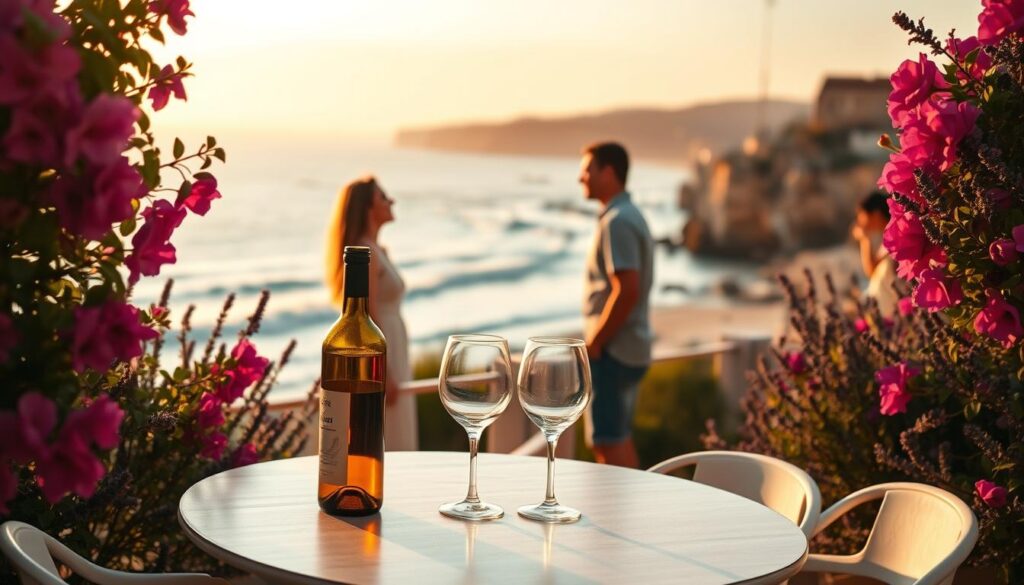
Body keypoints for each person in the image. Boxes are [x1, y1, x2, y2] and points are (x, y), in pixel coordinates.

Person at [325, 176, 418, 451]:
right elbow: (368, 316)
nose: (392, 201)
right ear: (367, 207)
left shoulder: (378, 249)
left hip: (393, 347)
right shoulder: (367, 252)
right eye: (383, 197)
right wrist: (385, 372)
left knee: (397, 425)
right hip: (382, 353)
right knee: (388, 429)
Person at [578, 142, 654, 468]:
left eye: (587, 169)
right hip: (627, 346)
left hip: (613, 349)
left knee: (608, 441)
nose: (581, 177)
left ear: (608, 172)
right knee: (615, 436)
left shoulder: (618, 221)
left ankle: (621, 516)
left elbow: (627, 289)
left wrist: (597, 342)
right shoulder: (627, 215)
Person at [852, 191, 899, 315]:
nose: (859, 221)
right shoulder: (887, 240)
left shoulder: (896, 233)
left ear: (876, 214)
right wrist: (865, 239)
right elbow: (872, 270)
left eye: (861, 215)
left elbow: (870, 270)